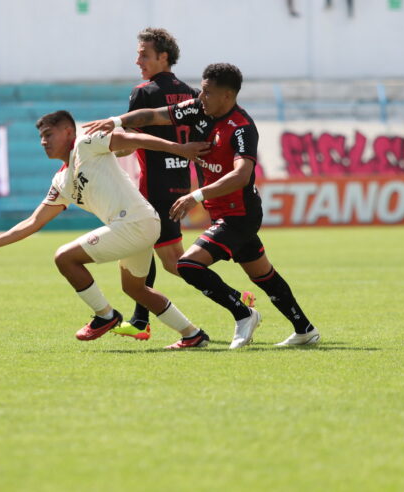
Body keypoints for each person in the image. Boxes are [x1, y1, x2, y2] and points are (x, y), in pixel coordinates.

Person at [84, 64, 321, 348]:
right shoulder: (198, 109)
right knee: (263, 275)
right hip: (222, 212)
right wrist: (117, 120)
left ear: (228, 96)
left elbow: (241, 175)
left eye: (208, 92)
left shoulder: (242, 128)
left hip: (240, 214)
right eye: (202, 90)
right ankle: (304, 329)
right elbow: (154, 115)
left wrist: (195, 196)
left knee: (188, 265)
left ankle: (243, 313)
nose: (201, 96)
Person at [0, 110, 213, 349]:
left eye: (48, 134)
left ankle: (105, 316)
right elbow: (34, 221)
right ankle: (192, 334)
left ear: (68, 132)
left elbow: (132, 139)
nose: (43, 142)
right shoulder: (61, 181)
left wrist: (179, 149)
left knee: (65, 258)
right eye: (41, 137)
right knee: (135, 288)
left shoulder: (86, 143)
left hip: (135, 223)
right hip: (137, 225)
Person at [112, 27, 208, 342]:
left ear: (162, 57)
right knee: (147, 249)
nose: (138, 60)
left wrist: (104, 147)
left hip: (153, 185)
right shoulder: (193, 93)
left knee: (171, 261)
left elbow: (128, 141)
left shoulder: (144, 92)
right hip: (179, 181)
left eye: (144, 54)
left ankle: (237, 298)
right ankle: (140, 320)